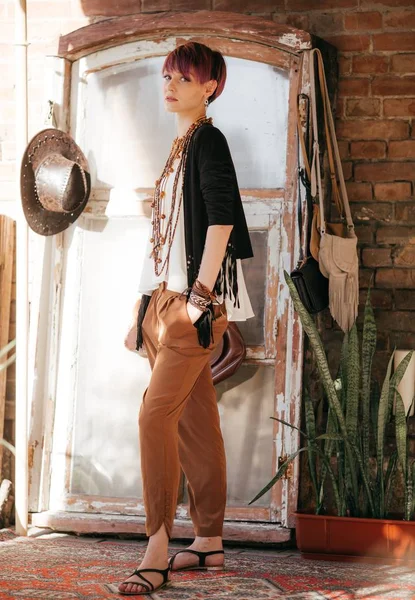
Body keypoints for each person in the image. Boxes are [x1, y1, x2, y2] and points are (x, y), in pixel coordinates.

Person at [119, 41, 254, 596]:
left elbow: (220, 222)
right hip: (165, 303)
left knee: (154, 417)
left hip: (192, 306)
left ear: (210, 87)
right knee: (197, 425)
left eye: (184, 77)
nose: (170, 84)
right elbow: (167, 237)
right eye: (168, 75)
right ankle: (210, 541)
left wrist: (198, 302)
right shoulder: (180, 144)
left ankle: (155, 544)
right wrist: (143, 306)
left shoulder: (208, 140)